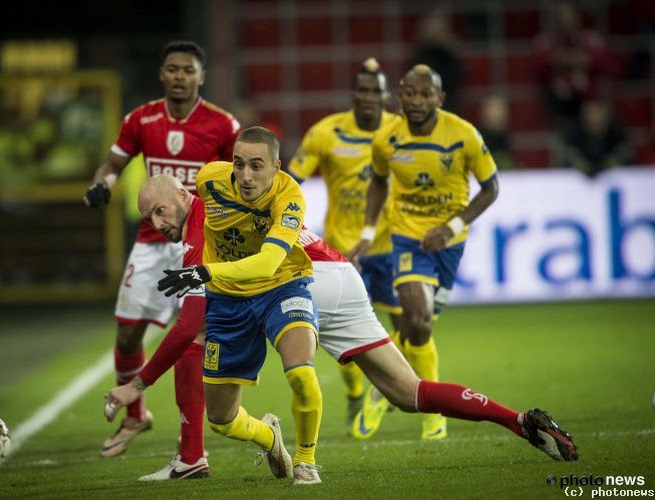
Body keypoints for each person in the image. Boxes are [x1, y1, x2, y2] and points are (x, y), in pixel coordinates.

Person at [104, 174, 579, 485]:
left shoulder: (201, 226)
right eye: (148, 219)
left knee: (215, 348)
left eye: (161, 211)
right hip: (340, 276)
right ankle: (517, 421)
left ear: (183, 196)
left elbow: (189, 319)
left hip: (298, 281)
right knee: (407, 393)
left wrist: (138, 384)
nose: (157, 223)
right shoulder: (224, 191)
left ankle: (291, 458)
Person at [83, 40, 240, 461]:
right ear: (161, 73)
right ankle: (136, 415)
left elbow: (244, 177)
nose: (179, 76)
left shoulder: (223, 125)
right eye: (172, 68)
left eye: (187, 70)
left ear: (200, 76)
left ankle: (193, 443)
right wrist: (104, 185)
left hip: (201, 237)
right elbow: (113, 164)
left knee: (197, 335)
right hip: (154, 241)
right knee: (128, 331)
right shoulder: (141, 118)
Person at [156, 127, 324, 485]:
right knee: (220, 420)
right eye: (239, 164)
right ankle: (269, 436)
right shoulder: (209, 180)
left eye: (257, 166)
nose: (245, 176)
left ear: (276, 166)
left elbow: (266, 264)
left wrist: (202, 271)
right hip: (227, 302)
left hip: (281, 286)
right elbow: (192, 217)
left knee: (301, 373)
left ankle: (306, 460)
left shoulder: (289, 196)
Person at [348, 64, 500, 441]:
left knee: (419, 326)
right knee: (418, 319)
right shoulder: (387, 139)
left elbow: (491, 188)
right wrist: (369, 232)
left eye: (425, 94)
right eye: (410, 94)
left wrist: (450, 227)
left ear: (440, 98)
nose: (416, 102)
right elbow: (379, 183)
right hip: (407, 239)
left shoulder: (463, 135)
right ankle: (434, 413)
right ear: (399, 96)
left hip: (449, 242)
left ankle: (383, 387)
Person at [287, 57, 401, 430]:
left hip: (391, 243)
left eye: (376, 91)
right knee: (341, 331)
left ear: (386, 96)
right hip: (340, 252)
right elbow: (292, 180)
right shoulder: (326, 132)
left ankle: (391, 387)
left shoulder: (401, 131)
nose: (369, 98)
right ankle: (356, 393)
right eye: (363, 91)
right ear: (354, 94)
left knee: (409, 324)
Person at [531, 1, 612, 131]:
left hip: (587, 97)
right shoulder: (546, 40)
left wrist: (587, 59)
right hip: (557, 100)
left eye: (570, 16)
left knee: (594, 111)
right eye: (562, 16)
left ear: (577, 17)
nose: (566, 21)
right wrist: (554, 59)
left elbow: (609, 65)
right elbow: (534, 68)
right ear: (556, 19)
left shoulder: (590, 38)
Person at [562, 99, 629, 177]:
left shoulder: (617, 134)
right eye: (591, 120)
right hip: (581, 180)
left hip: (613, 177)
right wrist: (585, 167)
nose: (595, 120)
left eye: (598, 120)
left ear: (605, 118)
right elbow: (570, 157)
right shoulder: (574, 135)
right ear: (584, 119)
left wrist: (606, 166)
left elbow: (624, 154)